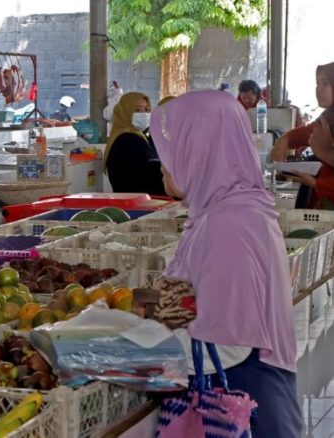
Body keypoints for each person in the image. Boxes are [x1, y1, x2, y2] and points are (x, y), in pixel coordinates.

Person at [149, 90, 301, 437]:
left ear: (199, 151)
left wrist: (129, 357)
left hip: (245, 409)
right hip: (256, 397)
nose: (163, 165)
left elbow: (229, 343)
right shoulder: (226, 208)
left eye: (172, 151)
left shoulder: (230, 224)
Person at [270, 61, 334, 208]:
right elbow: (306, 133)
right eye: (317, 83)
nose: (318, 89)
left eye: (325, 83)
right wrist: (284, 141)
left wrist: (316, 183)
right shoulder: (328, 117)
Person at [103, 92, 166, 196]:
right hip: (139, 200)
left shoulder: (132, 136)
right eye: (137, 110)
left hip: (136, 198)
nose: (144, 114)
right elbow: (150, 173)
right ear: (124, 112)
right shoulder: (128, 140)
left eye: (146, 110)